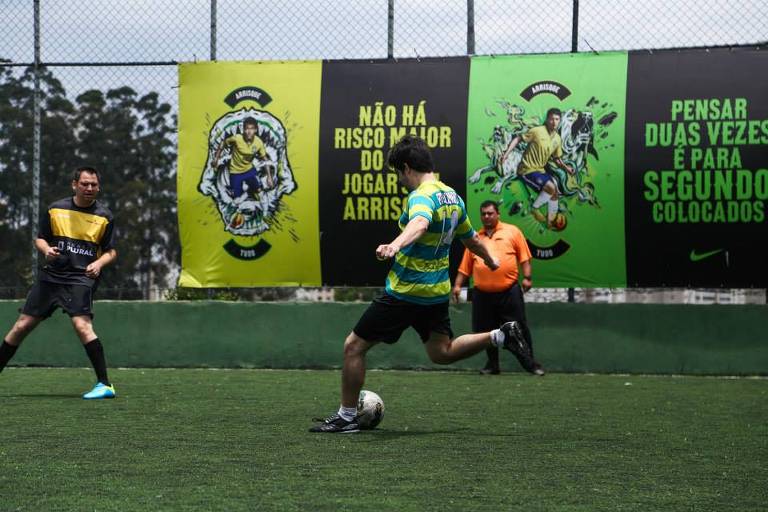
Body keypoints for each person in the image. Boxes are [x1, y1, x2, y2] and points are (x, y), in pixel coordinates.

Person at [309, 135, 535, 433]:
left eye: (398, 174)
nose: (400, 180)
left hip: (405, 291)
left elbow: (419, 223)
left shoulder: (421, 196)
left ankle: (347, 417)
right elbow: (471, 239)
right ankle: (499, 336)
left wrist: (395, 244)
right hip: (436, 293)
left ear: (406, 167)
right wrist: (491, 260)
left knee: (353, 347)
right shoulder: (453, 197)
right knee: (441, 352)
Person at [0, 166, 118, 399]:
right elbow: (40, 239)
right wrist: (46, 250)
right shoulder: (56, 209)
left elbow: (111, 251)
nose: (89, 188)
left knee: (82, 326)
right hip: (51, 276)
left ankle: (105, 385)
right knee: (22, 326)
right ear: (74, 184)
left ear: (98, 187)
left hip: (80, 278)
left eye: (94, 184)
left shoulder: (105, 217)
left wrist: (99, 264)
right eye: (85, 183)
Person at [452, 200, 544, 376]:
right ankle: (493, 365)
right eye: (483, 213)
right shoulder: (475, 238)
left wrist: (528, 277)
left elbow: (525, 256)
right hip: (482, 294)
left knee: (519, 327)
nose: (486, 216)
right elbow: (465, 267)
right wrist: (457, 285)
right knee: (485, 332)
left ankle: (532, 364)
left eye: (490, 213)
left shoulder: (512, 231)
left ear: (498, 214)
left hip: (509, 291)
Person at [504, 107, 574, 229]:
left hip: (540, 171)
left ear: (560, 121)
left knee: (555, 193)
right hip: (527, 169)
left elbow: (557, 158)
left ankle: (550, 221)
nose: (554, 122)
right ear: (547, 120)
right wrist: (506, 153)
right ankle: (534, 208)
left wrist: (566, 168)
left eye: (557, 119)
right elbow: (518, 138)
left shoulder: (557, 138)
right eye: (551, 119)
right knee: (551, 187)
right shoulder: (537, 131)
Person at [212, 117, 275, 199]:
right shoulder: (237, 138)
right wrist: (216, 159)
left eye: (252, 129)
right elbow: (223, 144)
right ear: (243, 130)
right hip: (235, 172)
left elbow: (265, 160)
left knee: (259, 191)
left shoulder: (259, 142)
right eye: (246, 129)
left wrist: (269, 177)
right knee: (237, 199)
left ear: (255, 130)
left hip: (249, 170)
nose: (249, 132)